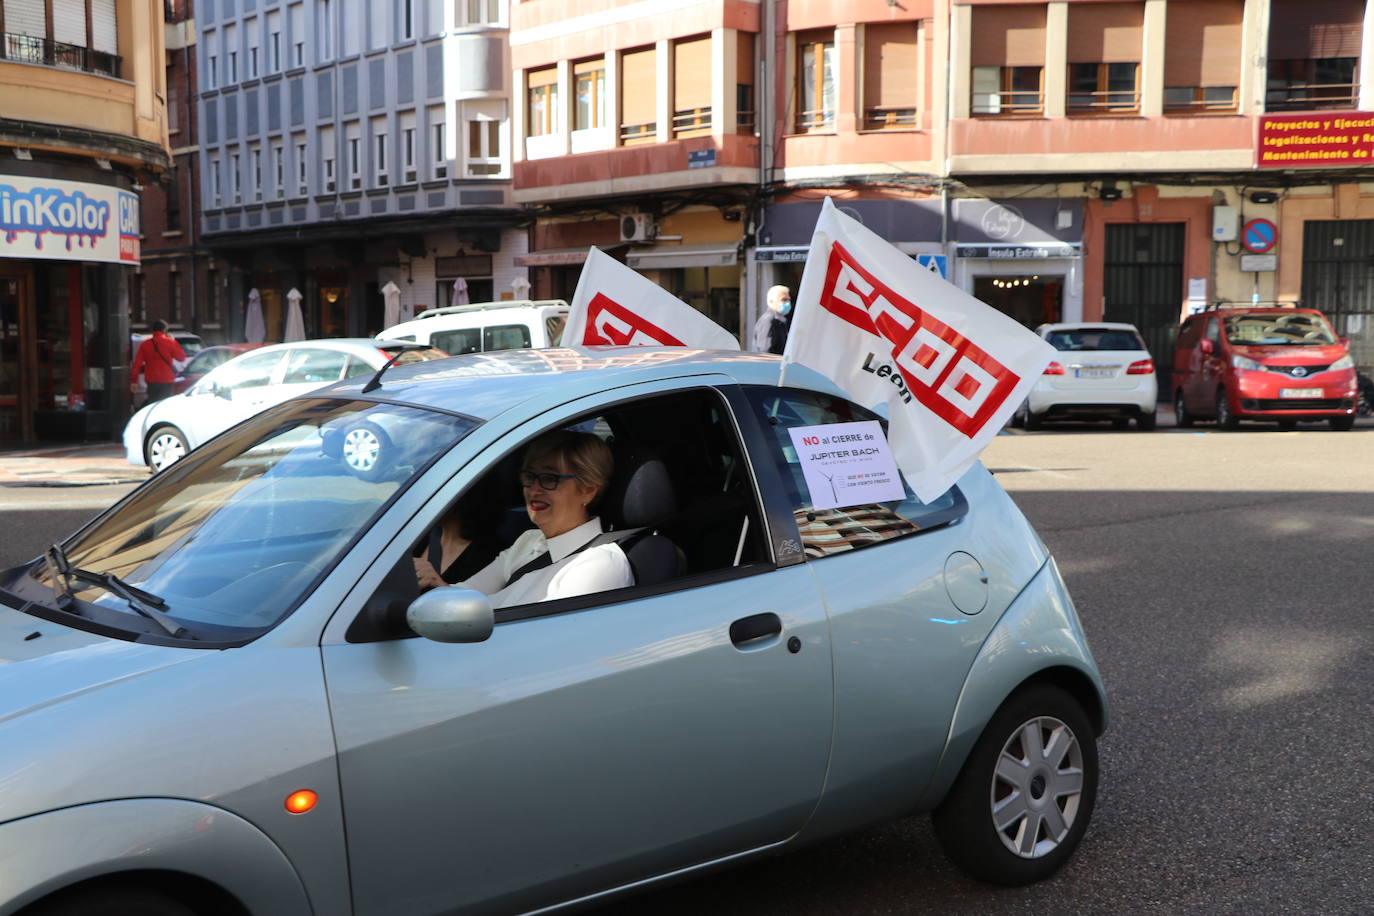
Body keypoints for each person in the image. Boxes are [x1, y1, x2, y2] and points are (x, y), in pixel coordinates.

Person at [456, 429, 633, 608]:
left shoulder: (598, 564)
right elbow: (464, 594)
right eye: (530, 476)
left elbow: (544, 633)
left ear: (588, 489)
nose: (534, 490)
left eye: (549, 479)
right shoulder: (528, 540)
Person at [412, 487, 505, 591]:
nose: (425, 501)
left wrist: (440, 585)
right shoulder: (419, 536)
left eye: (436, 494)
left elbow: (476, 602)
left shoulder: (488, 553)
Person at [130, 319, 187, 403]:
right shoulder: (170, 342)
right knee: (164, 404)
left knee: (152, 402)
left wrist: (134, 381)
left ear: (153, 330)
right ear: (165, 330)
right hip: (167, 379)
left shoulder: (145, 344)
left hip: (152, 379)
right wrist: (173, 341)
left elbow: (137, 364)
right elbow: (181, 357)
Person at [751, 284, 792, 354]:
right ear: (771, 302)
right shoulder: (768, 321)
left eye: (789, 300)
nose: (787, 303)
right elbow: (765, 350)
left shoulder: (781, 320)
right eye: (783, 300)